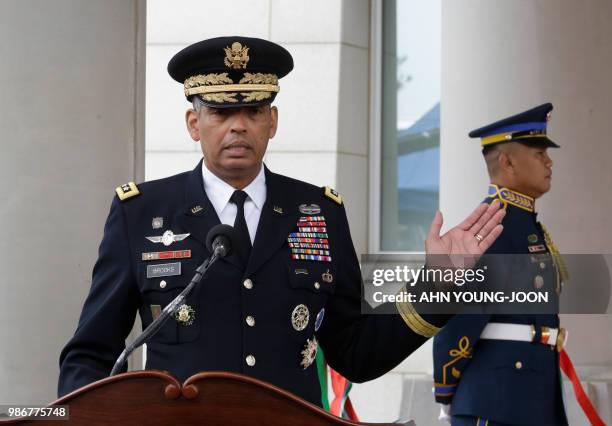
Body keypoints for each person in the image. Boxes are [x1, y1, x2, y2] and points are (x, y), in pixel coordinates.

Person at [58, 36, 504, 407]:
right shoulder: (142, 212)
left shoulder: (319, 212)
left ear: (272, 122)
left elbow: (357, 354)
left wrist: (439, 285)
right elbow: (91, 352)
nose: (238, 127)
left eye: (253, 112)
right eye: (220, 112)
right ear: (194, 123)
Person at [432, 103, 570, 425]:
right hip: (496, 402)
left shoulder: (527, 226)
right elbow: (458, 320)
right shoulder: (490, 227)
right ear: (507, 161)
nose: (549, 161)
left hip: (530, 395)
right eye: (538, 153)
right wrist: (448, 388)